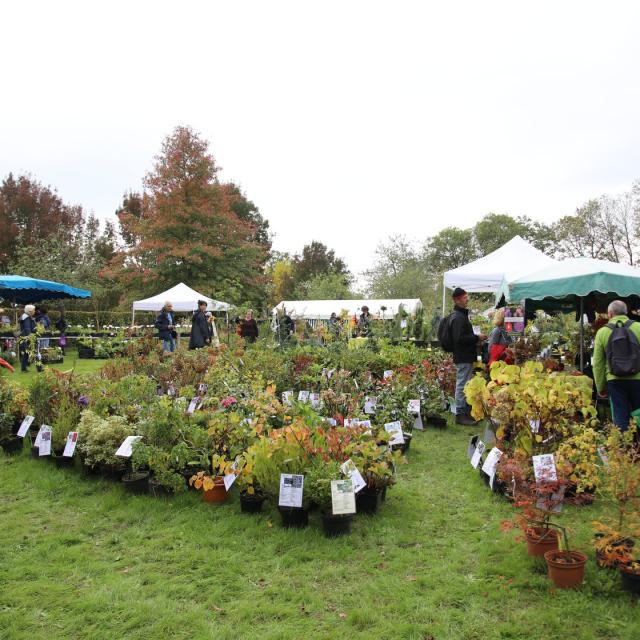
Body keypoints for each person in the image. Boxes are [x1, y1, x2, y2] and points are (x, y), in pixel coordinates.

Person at [592, 300, 640, 431]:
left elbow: (597, 363)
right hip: (638, 379)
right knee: (639, 413)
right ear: (626, 313)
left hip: (614, 380)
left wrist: (600, 386)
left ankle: (624, 448)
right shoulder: (638, 327)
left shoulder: (602, 332)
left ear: (610, 314)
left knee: (620, 415)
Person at [450, 288, 487, 425]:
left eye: (467, 297)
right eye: (465, 297)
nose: (467, 299)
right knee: (462, 384)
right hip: (463, 356)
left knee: (466, 384)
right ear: (457, 300)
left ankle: (465, 412)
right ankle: (460, 414)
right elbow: (459, 338)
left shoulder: (460, 315)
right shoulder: (458, 317)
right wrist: (477, 337)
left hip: (465, 355)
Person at [19, 304, 37, 372]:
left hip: (26, 338)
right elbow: (27, 329)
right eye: (33, 310)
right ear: (30, 311)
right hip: (28, 338)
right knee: (34, 352)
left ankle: (23, 368)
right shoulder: (26, 318)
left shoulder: (26, 317)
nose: (34, 311)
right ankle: (40, 368)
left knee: (27, 354)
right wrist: (30, 338)